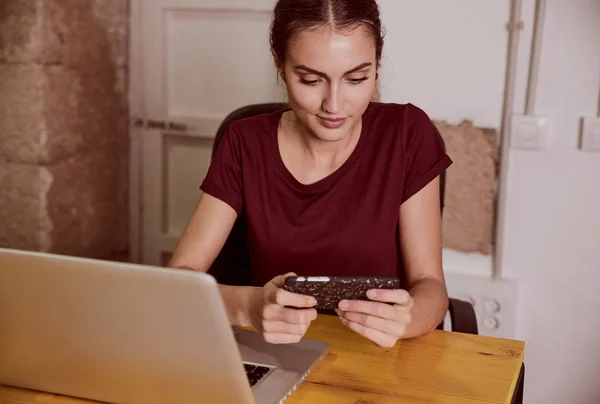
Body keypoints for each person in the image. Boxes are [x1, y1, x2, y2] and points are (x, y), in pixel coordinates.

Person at [168, 0, 452, 348]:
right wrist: (249, 306)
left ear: (377, 64)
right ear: (279, 64)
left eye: (356, 78)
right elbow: (179, 281)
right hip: (274, 352)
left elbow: (429, 284)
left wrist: (406, 319)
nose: (333, 105)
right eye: (310, 80)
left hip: (377, 356)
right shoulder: (245, 141)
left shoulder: (408, 133)